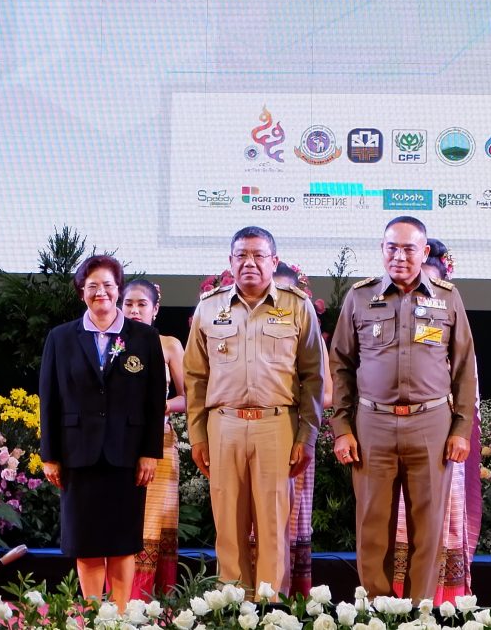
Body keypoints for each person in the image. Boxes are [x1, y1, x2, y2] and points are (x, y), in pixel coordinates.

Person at [330, 217, 479, 599]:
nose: (399, 256)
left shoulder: (448, 298)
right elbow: (341, 365)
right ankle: (377, 612)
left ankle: (419, 612)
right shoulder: (360, 297)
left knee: (427, 529)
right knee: (372, 526)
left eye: (409, 248)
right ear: (382, 250)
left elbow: (464, 368)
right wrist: (342, 428)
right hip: (373, 425)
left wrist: (461, 429)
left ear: (424, 252)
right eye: (391, 248)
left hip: (431, 425)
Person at [184, 227, 325, 596]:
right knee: (228, 529)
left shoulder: (297, 306)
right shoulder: (209, 307)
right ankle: (233, 610)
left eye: (258, 255)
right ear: (230, 262)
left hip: (276, 426)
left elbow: (314, 377)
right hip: (224, 426)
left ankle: (270, 611)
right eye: (241, 255)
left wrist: (307, 435)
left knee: (274, 526)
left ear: (274, 261)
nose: (249, 262)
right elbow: (195, 379)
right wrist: (197, 435)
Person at [39, 255, 167, 609]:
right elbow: (49, 399)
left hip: (127, 453)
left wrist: (150, 452)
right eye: (92, 285)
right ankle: (95, 616)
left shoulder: (144, 337)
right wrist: (50, 454)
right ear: (81, 291)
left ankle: (120, 617)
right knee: (87, 542)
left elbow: (154, 401)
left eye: (108, 285)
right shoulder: (61, 338)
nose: (101, 292)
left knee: (122, 542)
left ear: (118, 289)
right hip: (76, 453)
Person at [390, 239, 482, 603]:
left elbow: (466, 383)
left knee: (442, 519)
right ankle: (395, 603)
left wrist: (455, 429)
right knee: (397, 518)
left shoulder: (451, 325)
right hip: (394, 438)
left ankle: (441, 602)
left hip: (442, 440)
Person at [122, 279, 187, 599]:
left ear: (155, 309)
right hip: (119, 444)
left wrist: (162, 406)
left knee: (155, 522)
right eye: (128, 304)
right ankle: (118, 600)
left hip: (160, 442)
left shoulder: (169, 345)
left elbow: (189, 397)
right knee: (121, 521)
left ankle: (150, 601)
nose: (134, 310)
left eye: (142, 304)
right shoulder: (110, 342)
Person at [272, 261, 333, 595]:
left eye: (288, 291)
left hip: (296, 434)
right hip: (256, 429)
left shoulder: (309, 333)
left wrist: (297, 408)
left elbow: (328, 393)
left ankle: (288, 601)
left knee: (292, 519)